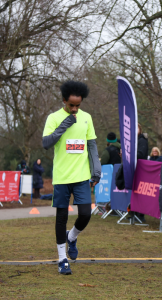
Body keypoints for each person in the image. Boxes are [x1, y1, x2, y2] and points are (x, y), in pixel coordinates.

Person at [42, 80, 101, 275]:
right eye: (71, 105)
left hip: (82, 176)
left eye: (78, 105)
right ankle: (61, 259)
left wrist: (96, 170)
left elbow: (91, 145)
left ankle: (73, 237)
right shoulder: (54, 118)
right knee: (61, 218)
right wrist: (64, 125)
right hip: (61, 178)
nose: (75, 109)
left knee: (85, 214)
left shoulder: (87, 118)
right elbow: (46, 143)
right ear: (64, 101)